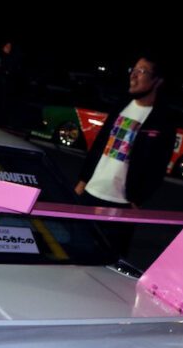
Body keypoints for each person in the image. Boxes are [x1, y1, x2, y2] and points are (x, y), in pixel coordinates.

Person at [73, 53, 176, 256]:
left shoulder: (162, 121)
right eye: (133, 70)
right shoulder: (121, 106)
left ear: (157, 81)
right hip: (91, 193)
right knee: (76, 250)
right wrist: (82, 182)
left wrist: (137, 198)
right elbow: (99, 145)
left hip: (121, 203)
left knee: (108, 259)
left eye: (142, 71)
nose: (134, 76)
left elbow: (158, 166)